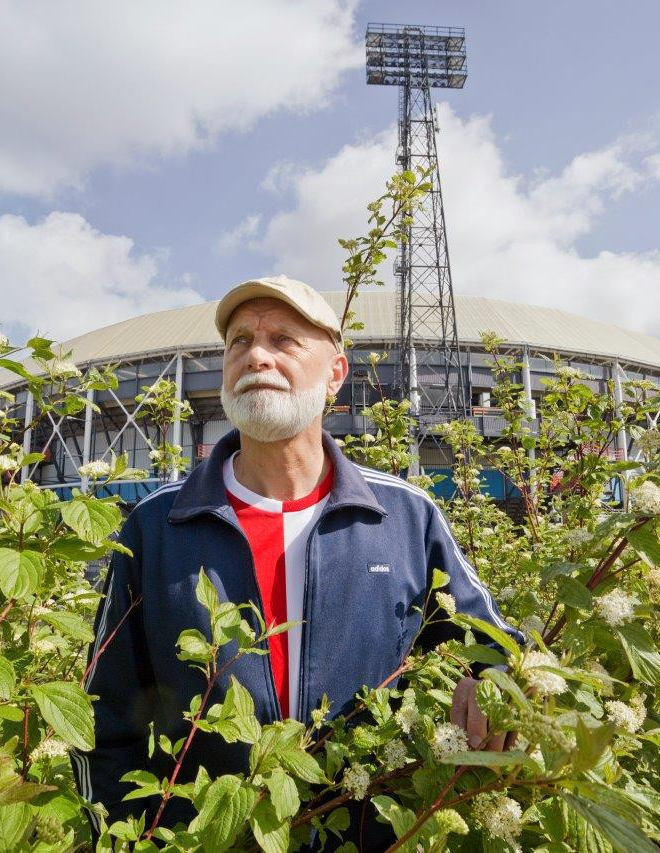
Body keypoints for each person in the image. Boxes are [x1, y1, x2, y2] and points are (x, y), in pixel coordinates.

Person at [76, 275, 524, 842]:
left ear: (335, 373)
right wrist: (121, 837)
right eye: (239, 341)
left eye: (284, 340)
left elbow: (488, 642)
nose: (256, 354)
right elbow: (103, 715)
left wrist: (491, 677)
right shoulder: (158, 526)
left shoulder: (404, 517)